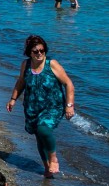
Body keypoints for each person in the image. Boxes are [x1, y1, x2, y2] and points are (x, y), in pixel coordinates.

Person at [7, 35, 76, 177]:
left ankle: (53, 158)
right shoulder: (25, 65)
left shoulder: (52, 64)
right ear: (29, 52)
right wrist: (13, 99)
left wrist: (69, 105)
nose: (39, 54)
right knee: (39, 136)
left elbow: (68, 84)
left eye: (42, 51)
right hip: (32, 106)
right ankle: (47, 168)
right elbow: (21, 82)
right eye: (35, 51)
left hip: (53, 106)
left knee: (43, 129)